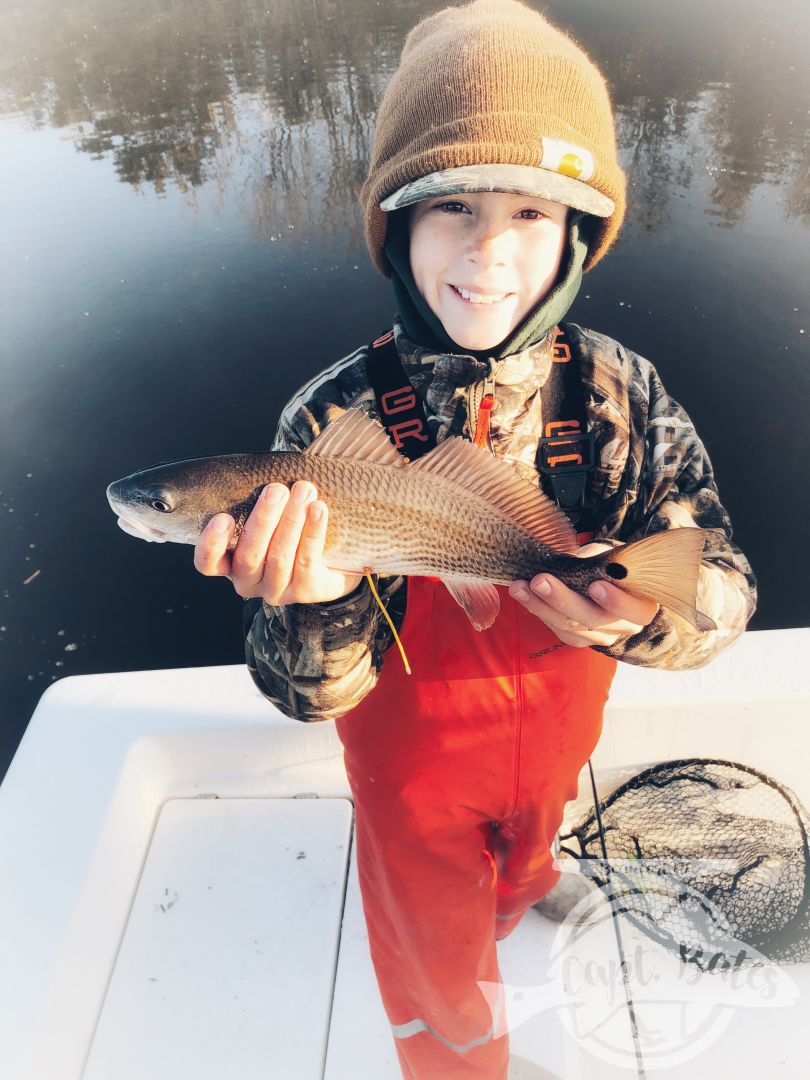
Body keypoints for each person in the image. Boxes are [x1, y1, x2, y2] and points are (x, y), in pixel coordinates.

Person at [194, 2, 756, 1077]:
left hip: (554, 738)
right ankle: (460, 1060)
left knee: (529, 854)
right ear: (395, 225)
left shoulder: (617, 393)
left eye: (533, 214)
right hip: (410, 781)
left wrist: (645, 621)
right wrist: (313, 604)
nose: (489, 253)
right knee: (435, 963)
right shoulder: (326, 421)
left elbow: (716, 585)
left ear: (579, 238)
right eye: (451, 206)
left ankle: (527, 888)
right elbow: (308, 695)